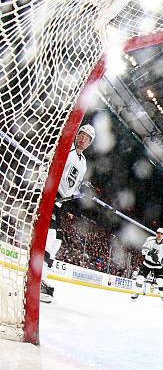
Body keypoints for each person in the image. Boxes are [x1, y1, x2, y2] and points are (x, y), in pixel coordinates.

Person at [41, 124, 95, 303]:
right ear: (77, 134)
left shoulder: (84, 162)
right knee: (49, 236)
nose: (83, 139)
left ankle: (42, 276)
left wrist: (83, 191)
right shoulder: (66, 147)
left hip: (60, 202)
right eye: (82, 134)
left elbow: (74, 188)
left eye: (87, 138)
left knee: (55, 242)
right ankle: (38, 278)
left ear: (89, 143)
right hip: (51, 195)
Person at [131, 228, 163, 305]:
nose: (159, 235)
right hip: (147, 264)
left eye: (161, 234)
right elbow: (143, 251)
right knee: (140, 278)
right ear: (156, 233)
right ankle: (136, 293)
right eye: (158, 233)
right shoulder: (149, 240)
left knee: (160, 282)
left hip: (158, 266)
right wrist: (150, 253)